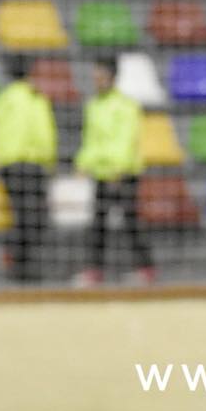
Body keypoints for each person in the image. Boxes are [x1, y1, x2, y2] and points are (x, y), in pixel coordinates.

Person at [73, 58, 153, 287]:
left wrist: (118, 168)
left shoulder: (126, 105)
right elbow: (91, 140)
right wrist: (83, 163)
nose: (96, 79)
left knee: (131, 222)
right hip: (101, 173)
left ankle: (145, 268)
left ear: (111, 76)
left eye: (100, 74)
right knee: (97, 224)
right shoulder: (93, 105)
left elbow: (126, 140)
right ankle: (94, 270)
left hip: (123, 174)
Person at [0, 55, 57, 282]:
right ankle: (22, 264)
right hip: (33, 164)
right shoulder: (35, 97)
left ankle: (17, 262)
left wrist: (3, 160)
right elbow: (45, 133)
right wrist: (49, 162)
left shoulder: (3, 99)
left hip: (11, 165)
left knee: (22, 216)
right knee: (34, 217)